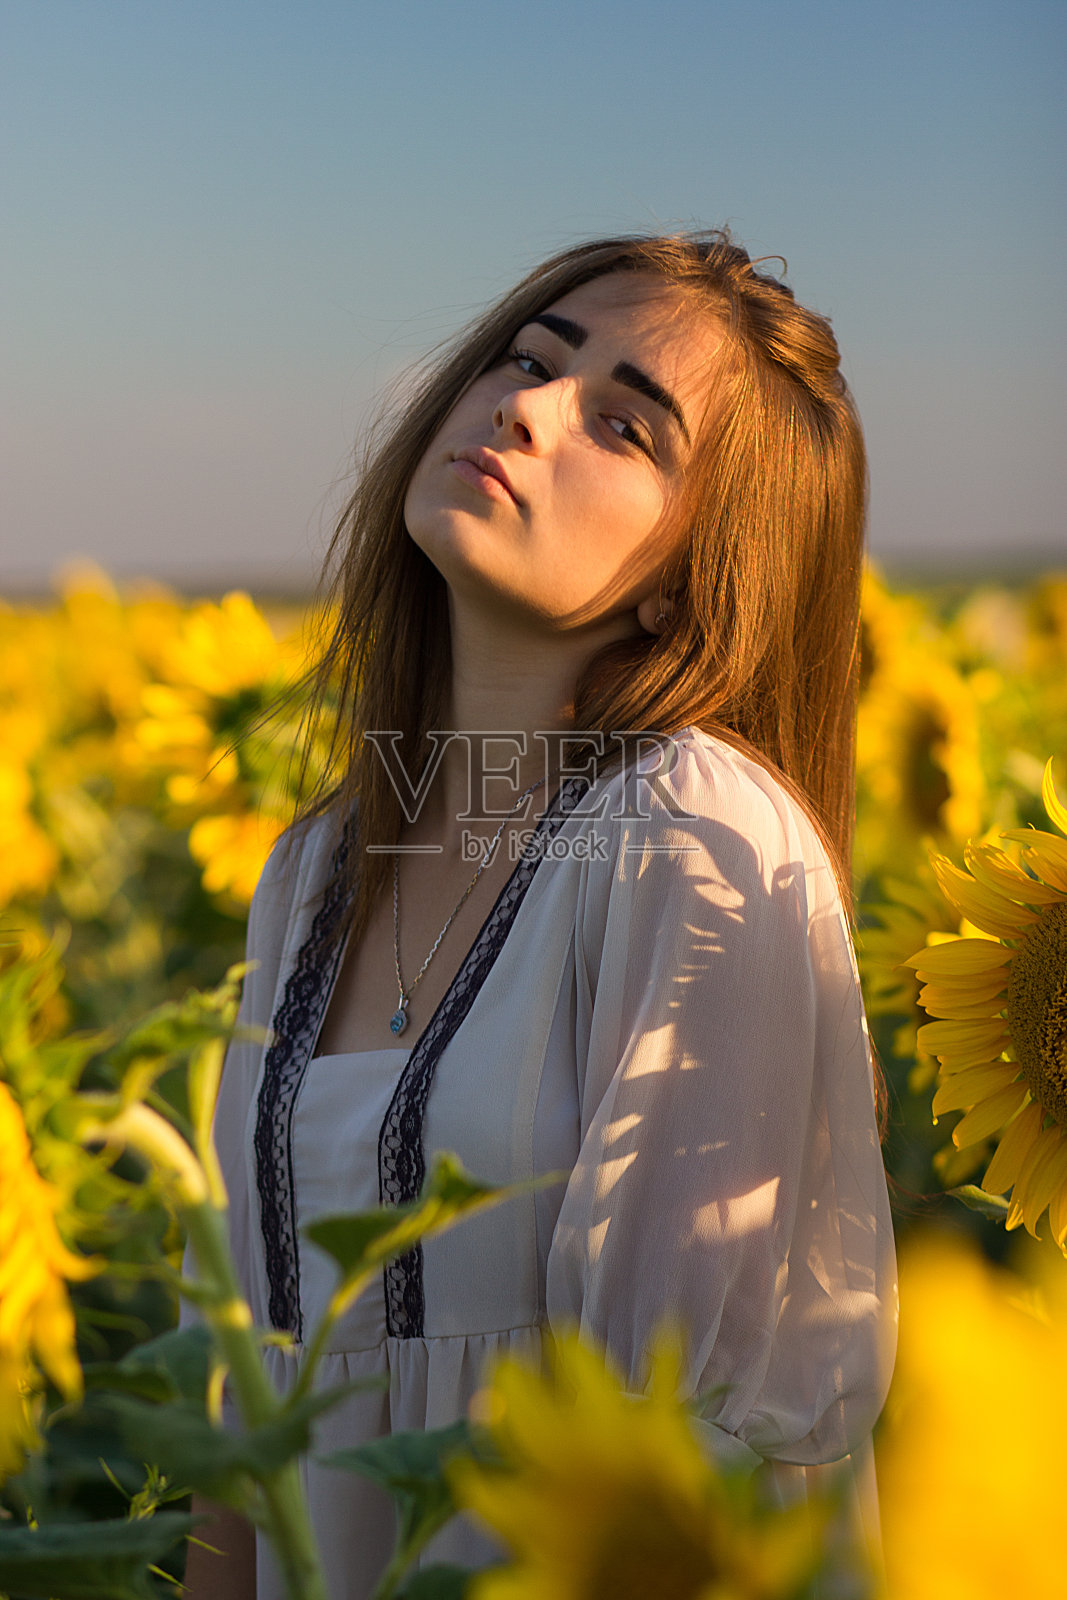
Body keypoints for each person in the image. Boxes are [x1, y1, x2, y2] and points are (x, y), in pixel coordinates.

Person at [184, 230, 897, 1599]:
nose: (527, 407)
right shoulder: (313, 870)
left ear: (703, 570)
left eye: (623, 427)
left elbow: (685, 1458)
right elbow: (243, 1399)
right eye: (529, 359)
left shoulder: (692, 847)